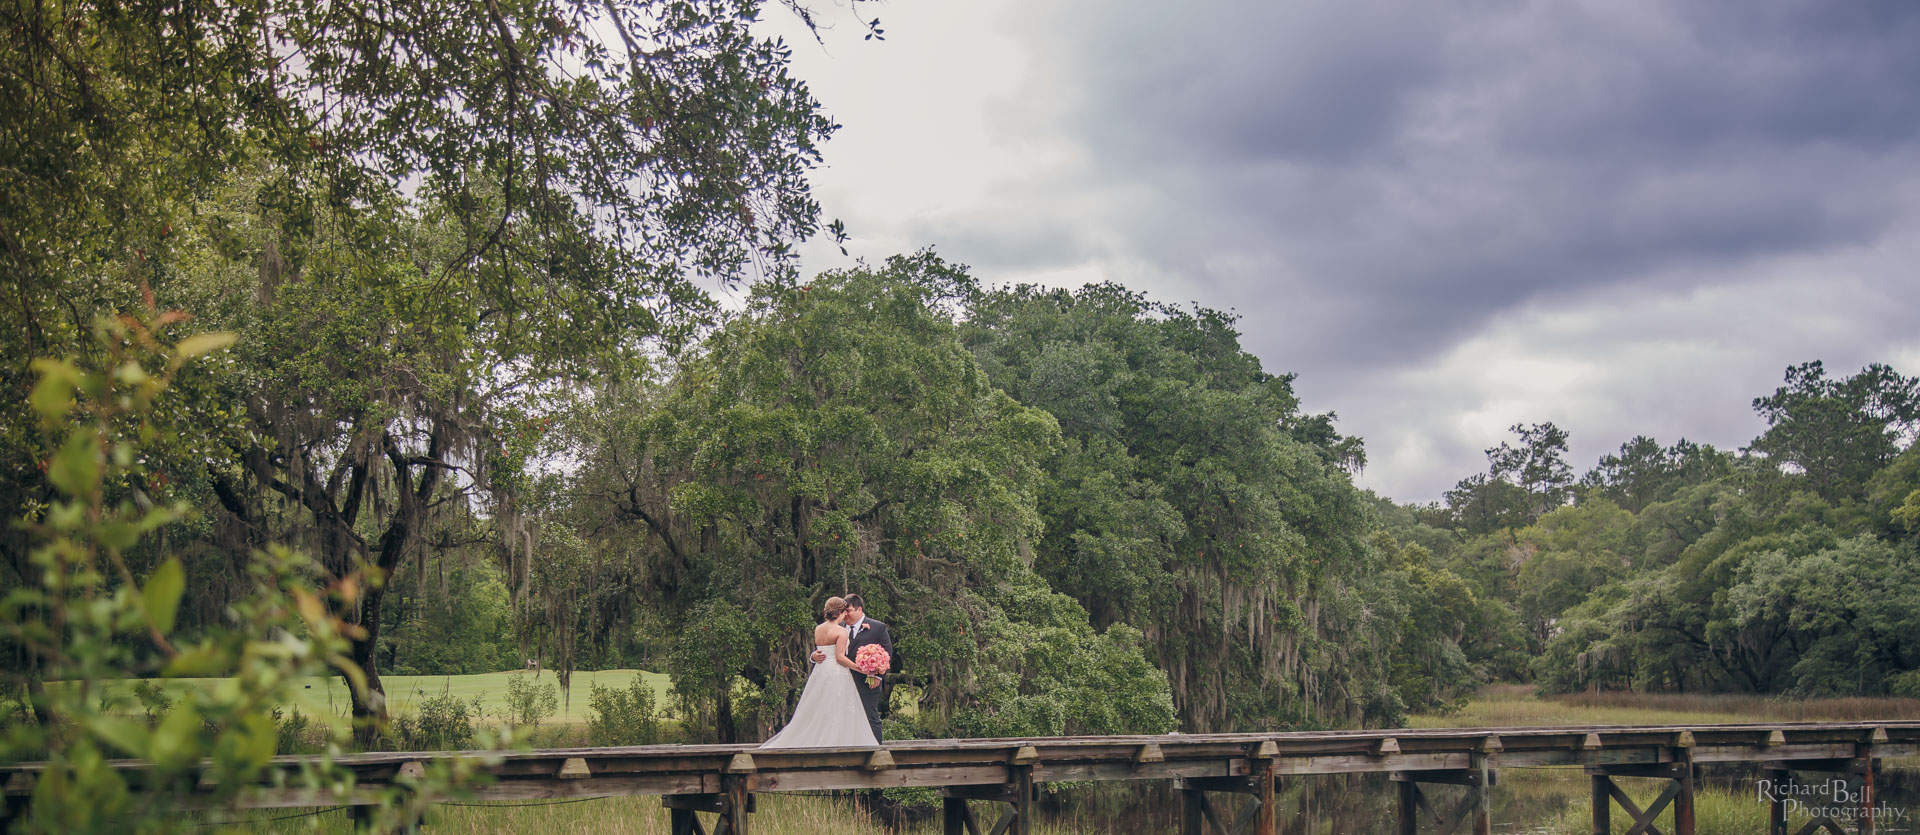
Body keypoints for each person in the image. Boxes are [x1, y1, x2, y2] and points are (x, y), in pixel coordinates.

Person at [760, 597, 879, 749]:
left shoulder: (818, 628)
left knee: (820, 707)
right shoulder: (841, 631)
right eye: (845, 612)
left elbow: (821, 650)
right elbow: (840, 657)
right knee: (837, 708)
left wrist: (814, 656)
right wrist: (861, 669)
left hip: (821, 671)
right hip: (837, 672)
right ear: (841, 613)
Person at [811, 593, 893, 744]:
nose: (846, 614)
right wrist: (813, 656)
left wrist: (878, 675)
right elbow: (827, 650)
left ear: (859, 609)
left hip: (867, 681)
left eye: (849, 610)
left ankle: (876, 751)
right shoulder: (837, 627)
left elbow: (887, 653)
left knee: (870, 717)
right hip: (839, 680)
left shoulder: (877, 627)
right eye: (844, 611)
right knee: (842, 719)